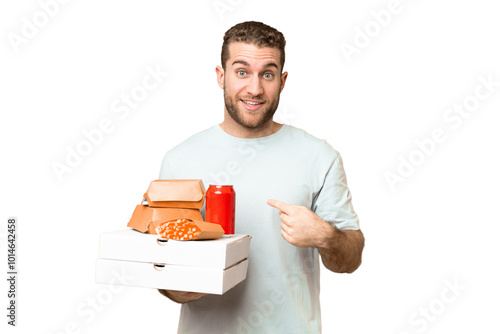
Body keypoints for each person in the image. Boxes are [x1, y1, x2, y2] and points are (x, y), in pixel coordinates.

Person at [158, 21, 364, 334]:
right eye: (242, 72)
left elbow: (350, 259)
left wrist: (325, 235)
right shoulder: (180, 160)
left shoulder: (319, 157)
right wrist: (177, 289)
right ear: (220, 76)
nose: (255, 88)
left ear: (281, 81)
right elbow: (162, 263)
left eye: (267, 74)